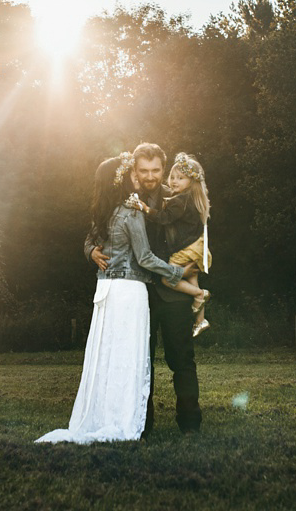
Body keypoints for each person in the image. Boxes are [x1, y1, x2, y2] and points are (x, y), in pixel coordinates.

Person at [36, 153, 187, 444]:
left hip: (106, 290)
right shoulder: (130, 212)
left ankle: (107, 415)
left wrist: (95, 250)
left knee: (107, 357)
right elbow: (143, 257)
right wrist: (175, 271)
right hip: (129, 291)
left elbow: (101, 239)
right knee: (128, 358)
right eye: (132, 173)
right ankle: (124, 420)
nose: (138, 177)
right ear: (121, 179)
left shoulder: (107, 211)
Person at [88, 143, 203, 435]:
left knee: (182, 359)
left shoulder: (177, 197)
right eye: (143, 171)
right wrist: (90, 250)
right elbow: (97, 230)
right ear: (135, 170)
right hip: (138, 293)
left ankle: (190, 424)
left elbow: (196, 238)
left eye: (155, 170)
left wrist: (191, 272)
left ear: (163, 170)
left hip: (173, 291)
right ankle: (142, 424)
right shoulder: (124, 194)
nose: (150, 176)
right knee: (140, 362)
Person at [132, 152, 212, 337]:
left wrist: (145, 208)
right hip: (191, 249)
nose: (174, 181)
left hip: (182, 254)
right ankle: (200, 319)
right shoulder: (189, 198)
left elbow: (163, 218)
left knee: (170, 278)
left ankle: (200, 296)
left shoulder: (177, 200)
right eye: (173, 177)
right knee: (193, 281)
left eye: (180, 178)